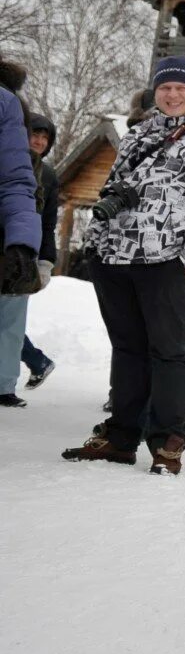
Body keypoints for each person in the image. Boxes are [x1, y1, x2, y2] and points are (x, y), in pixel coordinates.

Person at [60, 56, 185, 472]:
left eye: (181, 87)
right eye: (165, 87)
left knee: (169, 351)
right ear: (155, 92)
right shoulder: (138, 133)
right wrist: (95, 245)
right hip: (116, 259)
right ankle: (122, 437)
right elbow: (114, 190)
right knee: (128, 349)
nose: (172, 94)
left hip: (167, 261)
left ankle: (166, 442)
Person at [0, 57, 43, 408]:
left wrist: (25, 245)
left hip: (10, 242)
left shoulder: (4, 103)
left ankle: (3, 384)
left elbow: (16, 184)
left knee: (11, 320)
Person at [19, 113, 59, 390]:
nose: (39, 141)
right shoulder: (10, 162)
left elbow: (49, 221)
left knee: (8, 317)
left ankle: (36, 361)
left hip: (24, 253)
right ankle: (37, 361)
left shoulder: (47, 174)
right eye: (35, 134)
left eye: (45, 138)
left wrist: (46, 261)